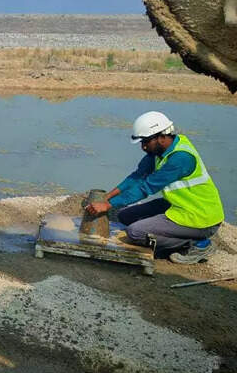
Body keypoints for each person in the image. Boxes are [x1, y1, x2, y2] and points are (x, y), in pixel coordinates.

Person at [84, 111, 225, 263]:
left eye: (146, 141)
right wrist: (107, 197)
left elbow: (145, 188)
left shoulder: (181, 158)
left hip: (201, 217)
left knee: (135, 232)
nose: (143, 147)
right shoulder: (159, 151)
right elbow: (138, 176)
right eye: (141, 142)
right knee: (125, 216)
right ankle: (175, 233)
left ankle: (199, 244)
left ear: (162, 137)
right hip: (180, 206)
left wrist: (107, 205)